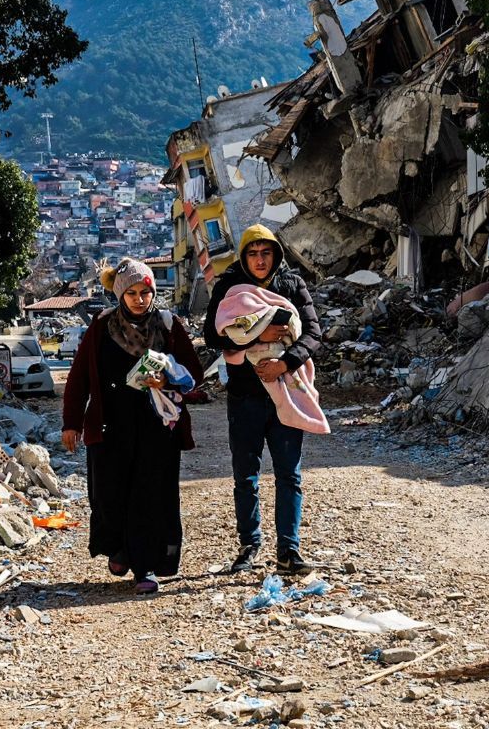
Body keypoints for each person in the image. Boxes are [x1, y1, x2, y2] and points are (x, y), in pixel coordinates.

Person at [62, 258, 203, 594]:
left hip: (156, 427)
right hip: (110, 425)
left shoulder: (168, 326)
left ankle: (146, 567)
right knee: (109, 495)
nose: (140, 299)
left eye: (146, 292)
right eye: (132, 293)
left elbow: (194, 374)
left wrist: (165, 379)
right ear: (120, 295)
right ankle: (120, 549)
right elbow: (79, 376)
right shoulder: (101, 327)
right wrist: (72, 423)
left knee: (149, 496)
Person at [203, 225, 322, 575]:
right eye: (252, 253)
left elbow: (314, 332)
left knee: (289, 474)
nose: (259, 260)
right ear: (244, 256)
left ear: (276, 254)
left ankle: (289, 550)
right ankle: (249, 544)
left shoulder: (292, 285)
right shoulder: (228, 285)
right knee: (246, 475)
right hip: (245, 396)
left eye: (265, 253)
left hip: (286, 389)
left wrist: (285, 362)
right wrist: (257, 335)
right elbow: (211, 333)